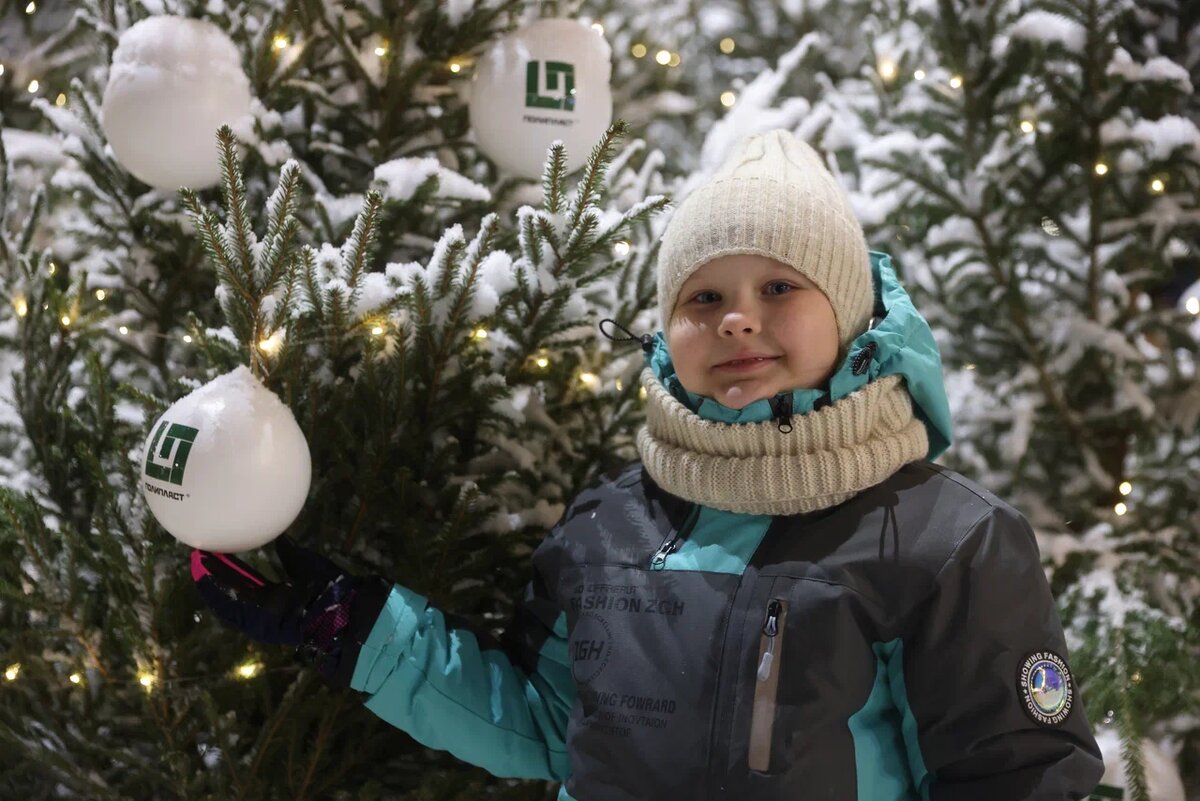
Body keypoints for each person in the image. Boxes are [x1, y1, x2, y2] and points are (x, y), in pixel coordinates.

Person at [191, 129, 1105, 800]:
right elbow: (551, 727)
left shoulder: (949, 543)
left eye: (780, 287)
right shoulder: (609, 528)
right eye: (704, 296)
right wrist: (358, 629)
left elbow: (1018, 778)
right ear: (666, 330)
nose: (737, 319)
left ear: (855, 315)